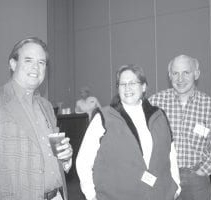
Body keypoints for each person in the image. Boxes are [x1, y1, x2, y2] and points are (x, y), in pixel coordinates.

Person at [0, 37, 73, 200]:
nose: (36, 67)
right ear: (13, 64)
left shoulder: (46, 106)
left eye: (41, 62)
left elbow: (49, 155)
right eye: (28, 60)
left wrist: (65, 158)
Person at [76, 64, 181, 200]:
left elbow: (170, 153)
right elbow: (83, 160)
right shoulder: (103, 117)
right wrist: (91, 195)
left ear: (143, 87)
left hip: (160, 194)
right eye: (122, 84)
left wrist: (176, 186)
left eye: (132, 83)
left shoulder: (159, 115)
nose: (127, 88)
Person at [149, 55, 211, 200]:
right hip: (163, 176)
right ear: (169, 76)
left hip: (196, 180)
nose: (180, 79)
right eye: (175, 73)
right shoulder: (154, 103)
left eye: (186, 72)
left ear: (196, 74)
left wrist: (203, 171)